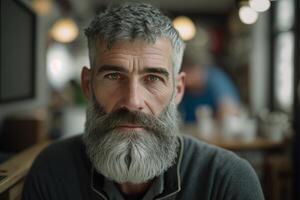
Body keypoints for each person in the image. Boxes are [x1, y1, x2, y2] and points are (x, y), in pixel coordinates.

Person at [22, 3, 264, 200]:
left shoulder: (227, 180)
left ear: (178, 90)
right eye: (113, 76)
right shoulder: (52, 171)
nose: (133, 101)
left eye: (153, 78)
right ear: (88, 85)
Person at [179, 51, 241, 123]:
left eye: (187, 71)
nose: (185, 77)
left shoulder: (215, 79)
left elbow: (230, 110)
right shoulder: (182, 88)